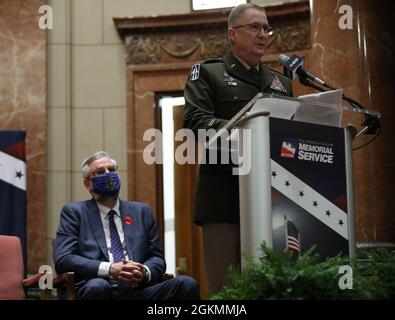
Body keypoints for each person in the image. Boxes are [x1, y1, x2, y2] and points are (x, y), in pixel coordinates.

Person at [183, 4, 293, 295]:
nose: (263, 34)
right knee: (226, 292)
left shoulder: (280, 82)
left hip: (274, 199)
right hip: (224, 198)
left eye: (266, 28)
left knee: (273, 287)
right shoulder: (208, 73)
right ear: (233, 34)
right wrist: (247, 130)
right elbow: (195, 121)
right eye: (254, 27)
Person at [52, 151, 199, 300]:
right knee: (97, 287)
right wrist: (110, 269)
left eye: (112, 170)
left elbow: (157, 257)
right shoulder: (75, 212)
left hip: (138, 290)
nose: (108, 174)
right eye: (99, 172)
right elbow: (63, 259)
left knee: (186, 284)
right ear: (87, 183)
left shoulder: (141, 212)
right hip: (99, 288)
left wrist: (143, 272)